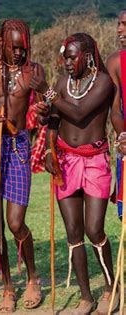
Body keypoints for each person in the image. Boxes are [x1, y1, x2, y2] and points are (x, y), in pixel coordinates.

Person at [31, 33, 117, 314]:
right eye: (64, 57)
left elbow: (79, 114)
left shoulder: (103, 82)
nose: (66, 62)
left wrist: (47, 92)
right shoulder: (61, 83)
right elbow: (55, 119)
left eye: (72, 57)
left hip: (94, 162)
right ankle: (85, 297)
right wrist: (48, 150)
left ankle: (109, 287)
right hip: (66, 160)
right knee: (73, 232)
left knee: (94, 229)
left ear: (88, 56)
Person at [0, 19, 43, 312]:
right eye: (13, 47)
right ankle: (7, 287)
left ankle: (32, 278)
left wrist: (43, 107)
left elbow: (46, 113)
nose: (18, 53)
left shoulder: (34, 71)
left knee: (15, 222)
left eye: (22, 48)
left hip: (18, 147)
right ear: (1, 41)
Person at [108, 9, 126, 220]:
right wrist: (122, 137)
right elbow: (115, 109)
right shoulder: (114, 61)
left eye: (124, 24)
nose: (120, 29)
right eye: (118, 24)